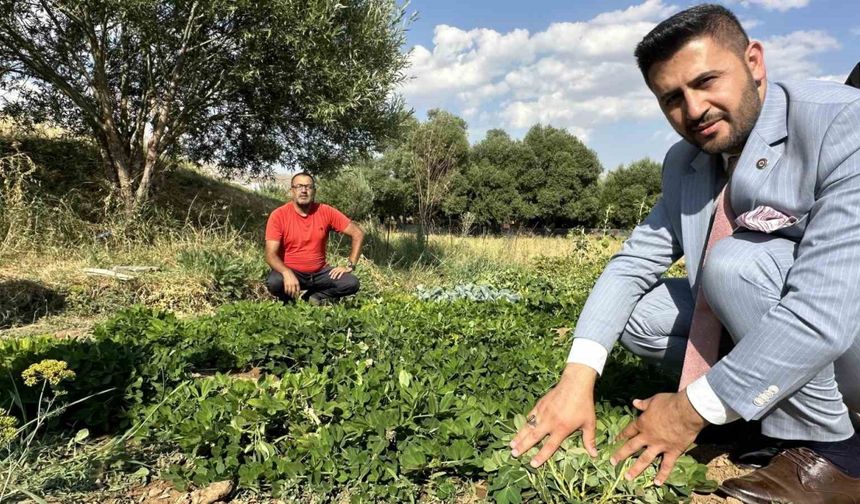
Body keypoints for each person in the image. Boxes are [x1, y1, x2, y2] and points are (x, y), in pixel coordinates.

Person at [510, 4, 860, 503]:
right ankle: (752, 413)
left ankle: (841, 456)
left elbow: (823, 313)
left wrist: (689, 410)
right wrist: (576, 378)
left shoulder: (842, 122)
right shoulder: (687, 161)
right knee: (642, 315)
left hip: (848, 335)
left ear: (754, 62)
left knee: (737, 265)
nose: (693, 110)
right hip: (805, 335)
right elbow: (632, 265)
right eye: (672, 98)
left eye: (707, 81)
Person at [264, 172, 364, 305]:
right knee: (274, 282)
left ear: (314, 191)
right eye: (299, 186)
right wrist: (286, 272)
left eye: (308, 187)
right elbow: (270, 255)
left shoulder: (326, 211)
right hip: (292, 272)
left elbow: (358, 233)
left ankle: (314, 296)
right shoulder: (278, 215)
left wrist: (350, 265)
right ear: (292, 191)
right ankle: (288, 302)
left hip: (320, 273)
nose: (304, 190)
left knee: (351, 283)